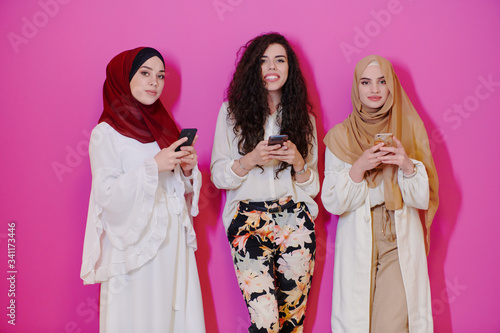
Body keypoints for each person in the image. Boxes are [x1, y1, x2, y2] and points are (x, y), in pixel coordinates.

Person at [80, 47, 205, 332]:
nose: (154, 82)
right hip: (135, 244)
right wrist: (153, 166)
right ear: (123, 78)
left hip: (171, 241)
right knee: (139, 315)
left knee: (172, 314)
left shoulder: (165, 128)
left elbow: (176, 188)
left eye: (160, 76)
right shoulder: (106, 134)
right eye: (145, 73)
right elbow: (106, 194)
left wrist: (186, 169)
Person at [211, 32, 319, 332]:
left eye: (280, 60)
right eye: (264, 60)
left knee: (292, 322)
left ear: (289, 68)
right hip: (248, 218)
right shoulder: (231, 113)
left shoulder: (304, 119)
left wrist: (297, 160)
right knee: (265, 321)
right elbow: (218, 176)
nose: (272, 66)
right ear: (253, 68)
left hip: (294, 218)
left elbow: (313, 186)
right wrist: (251, 159)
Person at [321, 55, 439, 332]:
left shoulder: (408, 129)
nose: (374, 89)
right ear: (357, 87)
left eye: (382, 81)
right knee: (358, 324)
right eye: (366, 82)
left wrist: (406, 165)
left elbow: (422, 198)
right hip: (358, 237)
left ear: (390, 88)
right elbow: (333, 203)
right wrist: (360, 166)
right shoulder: (340, 137)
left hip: (397, 238)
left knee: (391, 325)